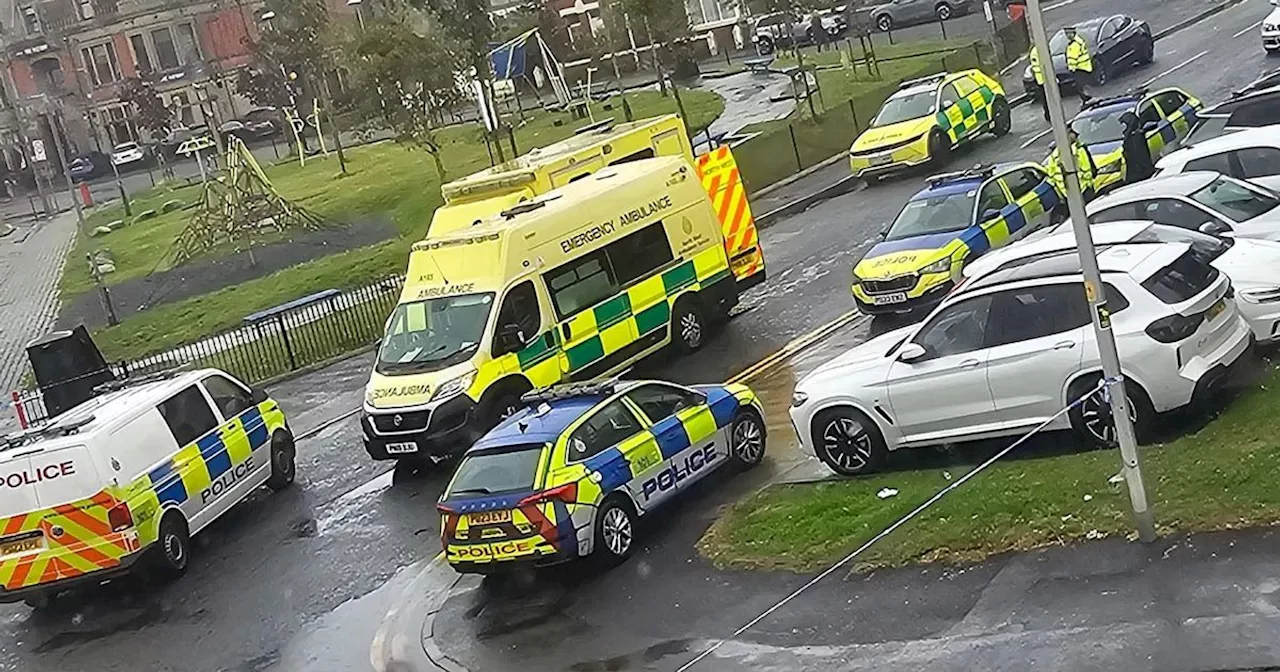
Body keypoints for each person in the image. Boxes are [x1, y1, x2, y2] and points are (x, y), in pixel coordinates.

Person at [1120, 110, 1156, 184]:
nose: (1123, 129)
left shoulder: (1136, 137)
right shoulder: (1130, 137)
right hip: (1135, 175)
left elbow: (1141, 156)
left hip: (1140, 175)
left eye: (1125, 125)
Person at [1064, 26, 1094, 106]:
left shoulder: (1074, 44)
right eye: (1066, 34)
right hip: (1083, 67)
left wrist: (1071, 68)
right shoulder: (1077, 41)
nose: (1067, 36)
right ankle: (1086, 100)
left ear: (1073, 33)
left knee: (1079, 87)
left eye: (1068, 34)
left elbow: (1073, 58)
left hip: (1080, 68)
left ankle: (1087, 100)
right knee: (1080, 86)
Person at [1030, 46, 1050, 122]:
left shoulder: (1034, 51)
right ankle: (1048, 115)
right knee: (1047, 99)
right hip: (1044, 79)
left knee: (1045, 99)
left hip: (1040, 80)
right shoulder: (1039, 51)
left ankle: (1047, 114)